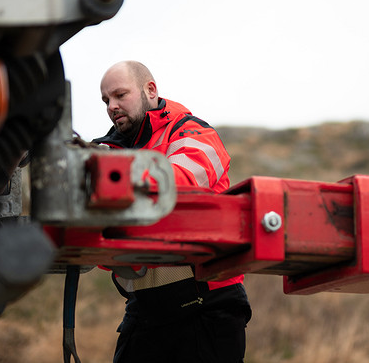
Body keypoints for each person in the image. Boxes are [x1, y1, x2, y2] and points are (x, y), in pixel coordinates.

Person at [92, 61, 252, 363]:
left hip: (206, 305)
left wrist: (111, 183)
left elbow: (179, 186)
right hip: (146, 309)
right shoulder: (111, 151)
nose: (112, 106)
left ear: (150, 90)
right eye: (105, 100)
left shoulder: (195, 134)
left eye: (120, 95)